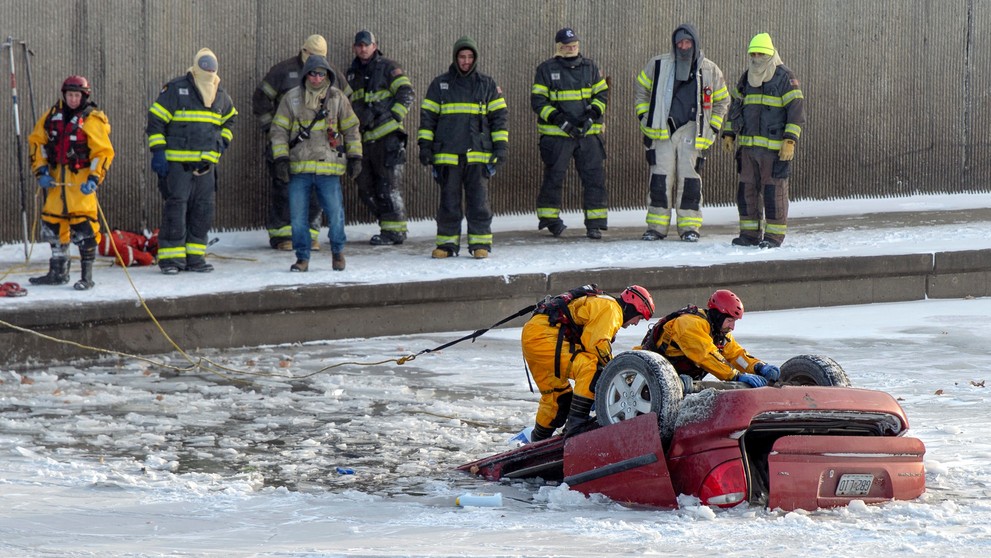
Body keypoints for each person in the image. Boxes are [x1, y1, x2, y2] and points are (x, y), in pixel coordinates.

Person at [253, 35, 352, 251]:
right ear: (302, 51)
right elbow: (261, 99)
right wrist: (272, 130)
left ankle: (310, 235)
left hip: (320, 149)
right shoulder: (282, 70)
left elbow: (347, 105)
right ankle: (282, 235)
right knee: (284, 187)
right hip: (288, 145)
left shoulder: (332, 74)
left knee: (316, 194)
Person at [522, 285, 655, 442]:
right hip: (545, 336)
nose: (636, 323)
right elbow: (596, 344)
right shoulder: (612, 309)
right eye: (639, 318)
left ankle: (536, 443)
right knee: (590, 368)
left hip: (534, 334)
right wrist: (613, 370)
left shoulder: (604, 304)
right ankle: (575, 428)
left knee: (557, 398)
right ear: (634, 308)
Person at [634, 23, 730, 243]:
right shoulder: (658, 65)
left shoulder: (710, 70)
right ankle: (656, 228)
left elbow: (723, 101)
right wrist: (645, 119)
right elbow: (641, 92)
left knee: (690, 182)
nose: (683, 46)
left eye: (688, 42)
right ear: (674, 44)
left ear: (695, 44)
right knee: (659, 180)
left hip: (693, 132)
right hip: (662, 131)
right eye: (679, 42)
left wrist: (712, 128)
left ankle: (689, 228)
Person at [147, 48, 237, 274]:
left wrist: (221, 142)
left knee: (202, 212)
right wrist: (158, 151)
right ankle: (171, 260)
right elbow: (156, 120)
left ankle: (195, 258)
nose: (208, 70)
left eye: (211, 66)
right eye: (204, 65)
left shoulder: (220, 94)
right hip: (178, 167)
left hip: (206, 169)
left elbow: (230, 119)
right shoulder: (176, 89)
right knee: (176, 211)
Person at [417, 36, 508, 259]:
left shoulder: (487, 85)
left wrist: (500, 147)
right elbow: (428, 119)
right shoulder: (440, 85)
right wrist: (425, 146)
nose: (465, 61)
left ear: (475, 59)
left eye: (469, 57)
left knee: (479, 202)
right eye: (462, 57)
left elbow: (499, 119)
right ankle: (447, 244)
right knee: (449, 202)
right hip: (448, 157)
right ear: (455, 58)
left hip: (478, 156)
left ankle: (480, 244)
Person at [269, 54, 362, 272]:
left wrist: (356, 156)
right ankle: (302, 258)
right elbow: (279, 131)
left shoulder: (338, 98)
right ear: (305, 75)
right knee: (298, 219)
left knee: (336, 214)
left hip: (328, 170)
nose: (317, 78)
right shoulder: (291, 99)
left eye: (321, 74)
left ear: (327, 75)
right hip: (299, 168)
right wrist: (281, 158)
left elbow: (352, 129)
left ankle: (338, 252)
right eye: (312, 73)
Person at [27, 75, 115, 290]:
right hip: (57, 181)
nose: (73, 99)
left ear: (84, 96)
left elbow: (102, 152)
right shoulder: (52, 116)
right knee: (53, 225)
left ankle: (87, 276)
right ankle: (58, 272)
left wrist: (94, 178)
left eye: (77, 95)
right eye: (70, 95)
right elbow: (37, 143)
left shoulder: (93, 119)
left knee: (85, 228)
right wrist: (41, 171)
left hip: (80, 183)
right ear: (64, 95)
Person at [722, 32, 805, 248]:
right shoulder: (747, 77)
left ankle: (773, 237)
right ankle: (749, 235)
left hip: (774, 151)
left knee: (773, 193)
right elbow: (736, 107)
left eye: (761, 54)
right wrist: (729, 132)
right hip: (748, 150)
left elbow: (796, 110)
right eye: (753, 53)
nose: (756, 58)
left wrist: (790, 140)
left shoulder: (784, 77)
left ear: (771, 54)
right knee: (746, 193)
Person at [530, 27, 609, 240]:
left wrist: (592, 114)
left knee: (594, 178)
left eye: (573, 45)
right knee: (554, 178)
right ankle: (550, 220)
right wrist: (558, 119)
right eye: (566, 46)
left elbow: (602, 94)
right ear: (558, 48)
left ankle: (595, 224)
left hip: (587, 135)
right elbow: (538, 101)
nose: (570, 49)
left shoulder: (590, 67)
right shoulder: (546, 69)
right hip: (557, 136)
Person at [346, 30, 415, 246]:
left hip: (388, 140)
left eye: (367, 45)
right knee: (365, 188)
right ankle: (387, 225)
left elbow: (406, 93)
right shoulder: (351, 74)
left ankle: (395, 232)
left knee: (388, 188)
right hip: (365, 141)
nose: (363, 49)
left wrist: (391, 116)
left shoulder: (388, 67)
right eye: (359, 45)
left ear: (375, 46)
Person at [639, 289, 781, 387]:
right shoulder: (689, 324)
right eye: (730, 321)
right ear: (719, 315)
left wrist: (758, 367)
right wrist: (735, 376)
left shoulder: (718, 331)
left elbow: (736, 355)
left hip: (678, 378)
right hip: (648, 375)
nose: (732, 327)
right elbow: (706, 355)